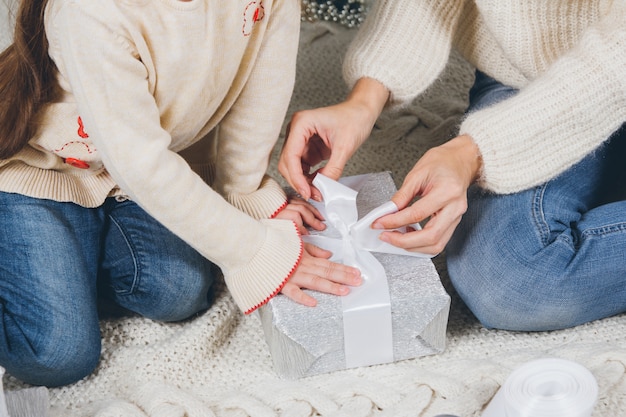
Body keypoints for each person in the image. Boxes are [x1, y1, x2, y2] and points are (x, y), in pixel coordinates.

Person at [0, 0, 362, 387]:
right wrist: (255, 250)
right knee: (58, 353)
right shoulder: (90, 12)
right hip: (41, 170)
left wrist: (245, 192)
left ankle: (65, 266)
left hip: (135, 172)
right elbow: (143, 165)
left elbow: (262, 83)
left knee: (181, 292)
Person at [279, 0, 626, 332]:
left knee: (521, 281)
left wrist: (475, 152)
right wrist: (365, 101)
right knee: (499, 278)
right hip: (524, 73)